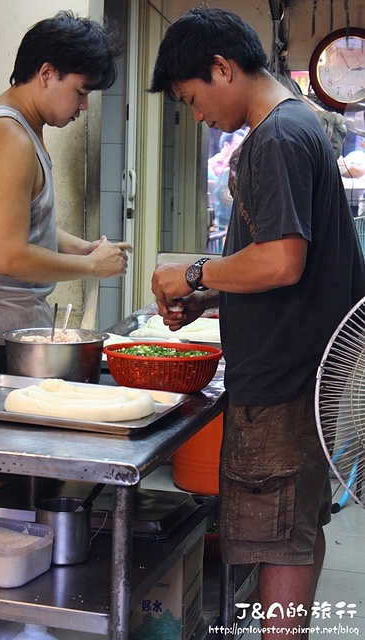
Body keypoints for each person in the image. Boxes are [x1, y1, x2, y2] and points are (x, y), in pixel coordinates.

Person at [149, 7, 365, 639]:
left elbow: (281, 261)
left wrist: (194, 274)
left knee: (277, 542)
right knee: (295, 532)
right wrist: (211, 297)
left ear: (223, 68)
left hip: (282, 382)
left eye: (193, 99)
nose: (197, 115)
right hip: (305, 375)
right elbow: (283, 262)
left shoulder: (276, 137)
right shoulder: (295, 127)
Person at [0, 10, 132, 503]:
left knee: (27, 463)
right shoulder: (7, 136)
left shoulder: (24, 127)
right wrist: (91, 268)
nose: (84, 106)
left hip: (4, 328)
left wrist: (84, 247)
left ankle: (14, 557)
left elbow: (27, 226)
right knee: (8, 465)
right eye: (82, 90)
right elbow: (8, 254)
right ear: (47, 73)